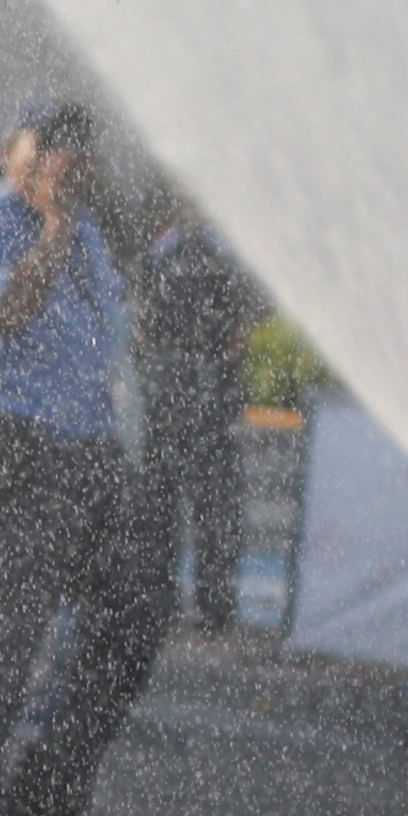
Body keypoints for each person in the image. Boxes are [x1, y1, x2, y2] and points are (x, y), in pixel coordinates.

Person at [0, 106, 168, 816]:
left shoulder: (91, 233)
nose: (65, 162)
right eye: (48, 149)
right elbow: (5, 312)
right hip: (10, 446)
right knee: (9, 635)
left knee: (134, 613)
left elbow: (111, 344)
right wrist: (56, 233)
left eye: (76, 150)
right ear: (13, 156)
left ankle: (53, 787)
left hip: (89, 448)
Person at [130, 195, 261, 633]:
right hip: (207, 382)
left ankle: (161, 598)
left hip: (171, 385)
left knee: (169, 501)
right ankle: (214, 605)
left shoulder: (163, 250)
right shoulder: (219, 252)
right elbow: (242, 324)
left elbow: (142, 322)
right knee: (211, 504)